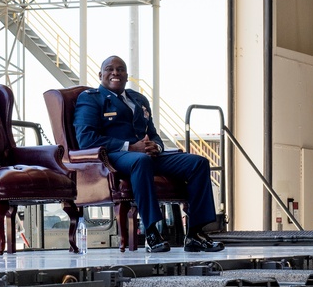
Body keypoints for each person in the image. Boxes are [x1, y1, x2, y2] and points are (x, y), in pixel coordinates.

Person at [72, 55, 224, 254]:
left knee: (198, 163)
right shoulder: (91, 99)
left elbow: (152, 133)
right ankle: (152, 233)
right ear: (100, 74)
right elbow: (86, 139)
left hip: (145, 155)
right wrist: (130, 147)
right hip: (113, 156)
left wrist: (157, 147)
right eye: (110, 69)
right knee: (141, 161)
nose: (115, 73)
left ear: (127, 76)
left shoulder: (138, 99)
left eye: (120, 69)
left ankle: (195, 233)